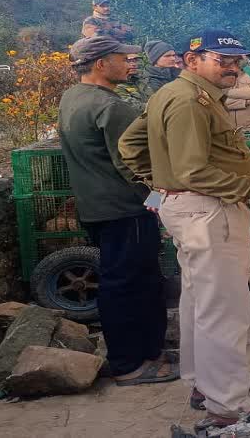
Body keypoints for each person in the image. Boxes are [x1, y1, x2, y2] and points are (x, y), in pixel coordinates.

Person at [119, 28, 250, 430]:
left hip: (191, 206)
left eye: (237, 62)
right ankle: (229, 406)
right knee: (225, 309)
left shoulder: (172, 95)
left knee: (200, 301)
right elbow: (193, 170)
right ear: (191, 59)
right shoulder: (190, 101)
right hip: (210, 210)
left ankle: (206, 384)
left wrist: (162, 183)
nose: (233, 68)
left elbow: (130, 146)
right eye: (223, 60)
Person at [58, 36, 177, 386]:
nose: (131, 65)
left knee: (126, 282)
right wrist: (159, 202)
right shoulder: (110, 108)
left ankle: (148, 352)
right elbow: (133, 165)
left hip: (96, 207)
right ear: (100, 64)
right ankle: (130, 364)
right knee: (132, 286)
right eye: (124, 59)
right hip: (125, 209)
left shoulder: (72, 98)